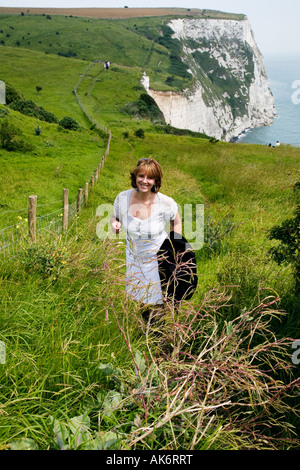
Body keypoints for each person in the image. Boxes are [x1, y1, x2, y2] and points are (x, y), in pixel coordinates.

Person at [111, 157, 183, 323]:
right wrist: (115, 223)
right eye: (141, 176)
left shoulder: (165, 202)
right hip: (133, 258)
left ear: (156, 181)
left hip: (157, 260)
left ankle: (158, 339)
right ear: (135, 177)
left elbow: (176, 222)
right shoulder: (122, 198)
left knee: (155, 305)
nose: (145, 181)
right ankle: (140, 334)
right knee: (137, 299)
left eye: (150, 178)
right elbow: (115, 216)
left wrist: (175, 245)